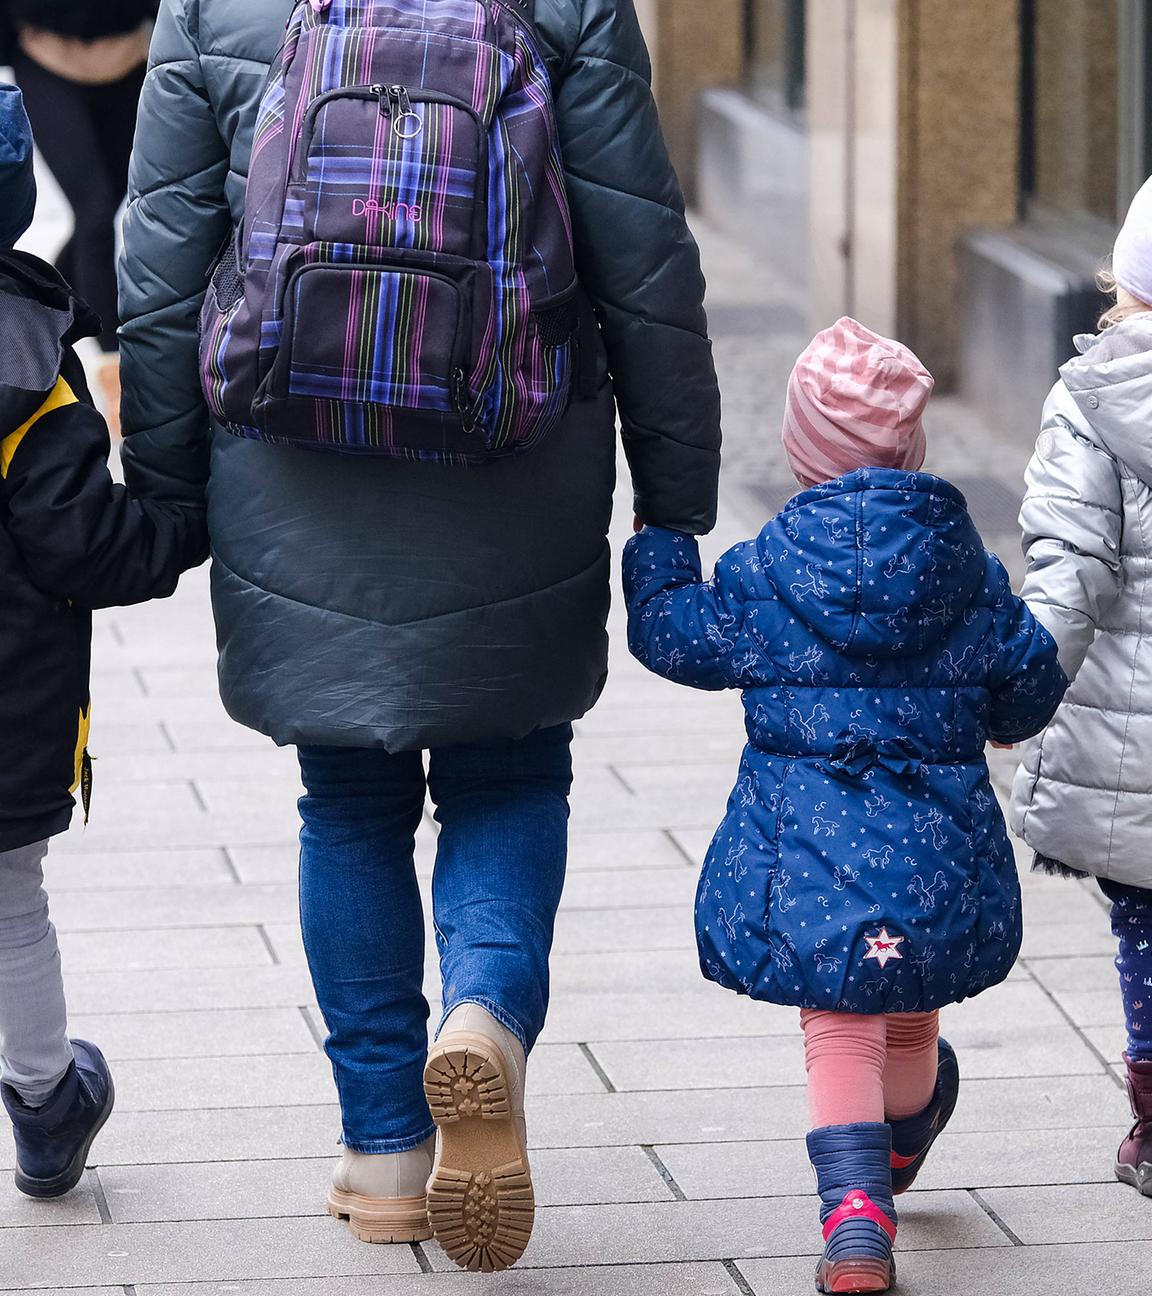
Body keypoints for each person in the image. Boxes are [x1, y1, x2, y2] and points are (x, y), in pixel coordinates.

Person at [118, 0, 720, 1273]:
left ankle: (387, 1149)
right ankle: (488, 1021)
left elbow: (164, 266)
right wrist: (676, 499)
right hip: (518, 442)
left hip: (293, 457)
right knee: (509, 769)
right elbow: (642, 258)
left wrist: (169, 490)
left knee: (345, 800)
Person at [623, 318, 1066, 1294]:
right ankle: (902, 1131)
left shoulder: (768, 576)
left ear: (797, 450)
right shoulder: (965, 575)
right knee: (909, 1012)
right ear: (913, 449)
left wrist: (661, 539)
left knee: (838, 1024)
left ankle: (856, 1213)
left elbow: (669, 635)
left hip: (806, 855)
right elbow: (1030, 687)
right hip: (938, 854)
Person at [0, 83, 206, 1199]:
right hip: (9, 712)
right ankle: (43, 1102)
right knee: (9, 906)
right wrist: (185, 526)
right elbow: (86, 544)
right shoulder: (27, 367)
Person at [1010, 176, 1152, 1198]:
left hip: (1129, 753)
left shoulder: (1093, 402)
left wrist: (1017, 699)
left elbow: (1072, 573)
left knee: (1145, 924)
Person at [0, 0, 159, 435]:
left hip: (131, 57)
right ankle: (115, 372)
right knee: (92, 213)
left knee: (109, 206)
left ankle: (46, 308)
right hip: (44, 55)